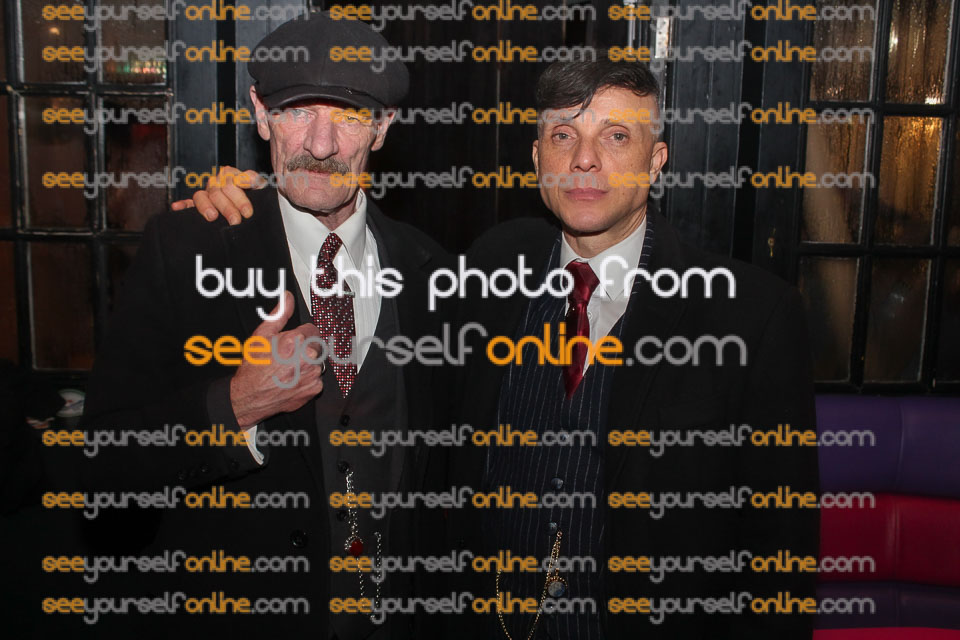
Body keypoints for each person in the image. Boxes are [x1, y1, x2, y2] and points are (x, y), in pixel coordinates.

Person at [185, 58, 819, 639]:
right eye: (563, 136)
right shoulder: (489, 270)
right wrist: (257, 201)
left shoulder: (751, 316)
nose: (585, 160)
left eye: (616, 136)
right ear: (537, 158)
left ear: (656, 162)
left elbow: (780, 556)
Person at [81, 12, 449, 640]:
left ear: (383, 127)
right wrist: (233, 406)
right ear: (260, 113)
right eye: (298, 111)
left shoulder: (429, 270)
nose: (321, 145)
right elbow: (102, 466)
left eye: (349, 115)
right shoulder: (188, 249)